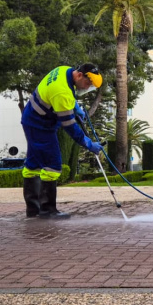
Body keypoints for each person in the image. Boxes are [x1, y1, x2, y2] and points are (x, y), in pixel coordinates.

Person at [21, 63, 104, 219]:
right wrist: (88, 144)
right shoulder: (62, 92)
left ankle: (33, 210)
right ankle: (47, 210)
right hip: (40, 126)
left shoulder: (64, 70)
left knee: (33, 165)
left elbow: (67, 94)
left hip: (32, 119)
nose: (87, 88)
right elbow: (69, 126)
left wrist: (75, 106)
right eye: (88, 83)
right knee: (52, 165)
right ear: (79, 75)